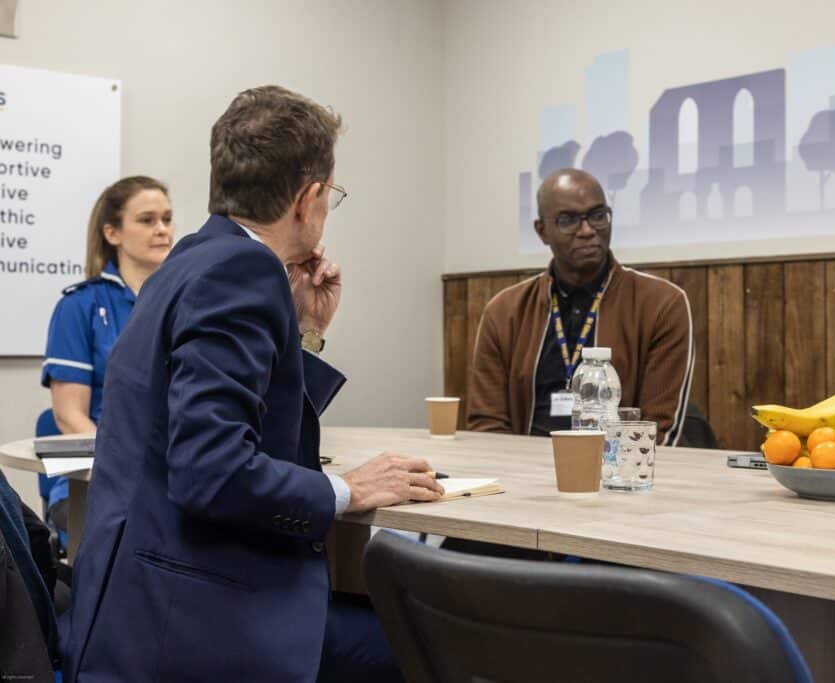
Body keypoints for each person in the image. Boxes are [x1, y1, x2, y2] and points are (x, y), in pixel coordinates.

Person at [62, 85, 444, 682]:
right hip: (191, 623)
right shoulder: (243, 271)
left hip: (136, 605)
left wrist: (306, 332)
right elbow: (210, 469)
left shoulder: (191, 259)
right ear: (308, 198)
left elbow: (249, 423)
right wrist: (343, 490)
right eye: (330, 197)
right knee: (430, 652)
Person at [467, 168, 694, 445]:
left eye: (598, 216)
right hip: (522, 476)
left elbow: (658, 429)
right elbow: (486, 425)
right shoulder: (504, 311)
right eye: (568, 220)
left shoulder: (661, 303)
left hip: (617, 476)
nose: (587, 231)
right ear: (542, 231)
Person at [38, 176, 174, 549]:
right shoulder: (78, 307)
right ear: (112, 233)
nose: (162, 230)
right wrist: (135, 470)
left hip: (173, 475)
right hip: (93, 481)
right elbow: (68, 417)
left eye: (167, 218)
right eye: (147, 220)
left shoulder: (187, 304)